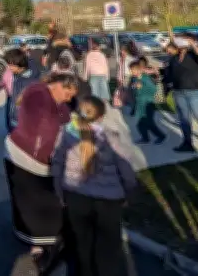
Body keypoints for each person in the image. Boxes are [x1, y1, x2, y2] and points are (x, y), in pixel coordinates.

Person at [52, 97, 137, 276]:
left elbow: (57, 165)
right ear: (101, 117)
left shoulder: (66, 135)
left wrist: (59, 193)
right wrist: (128, 194)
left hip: (76, 196)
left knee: (81, 245)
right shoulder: (111, 138)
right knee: (107, 249)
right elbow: (126, 171)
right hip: (108, 200)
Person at [4, 71, 79, 271]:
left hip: (28, 155)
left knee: (34, 201)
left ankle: (37, 237)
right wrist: (51, 155)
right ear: (59, 86)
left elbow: (64, 118)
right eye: (68, 93)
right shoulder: (39, 96)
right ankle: (39, 242)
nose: (69, 98)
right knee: (37, 202)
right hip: (26, 157)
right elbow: (45, 128)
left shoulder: (50, 98)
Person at [163, 38, 198, 152]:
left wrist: (192, 43)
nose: (167, 51)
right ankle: (187, 144)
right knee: (184, 119)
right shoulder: (173, 59)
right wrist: (163, 90)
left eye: (169, 48)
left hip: (195, 92)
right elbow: (169, 76)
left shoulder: (193, 55)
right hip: (178, 93)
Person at [130, 60, 166, 145]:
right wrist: (134, 87)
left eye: (133, 70)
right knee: (140, 124)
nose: (131, 72)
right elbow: (136, 89)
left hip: (148, 104)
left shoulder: (145, 78)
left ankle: (161, 136)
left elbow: (153, 90)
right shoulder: (135, 78)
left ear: (139, 70)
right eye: (131, 70)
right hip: (140, 103)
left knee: (149, 123)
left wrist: (142, 87)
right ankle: (145, 138)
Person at [2, 48, 34, 133]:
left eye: (10, 65)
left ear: (18, 63)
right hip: (15, 118)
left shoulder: (28, 80)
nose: (8, 67)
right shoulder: (17, 75)